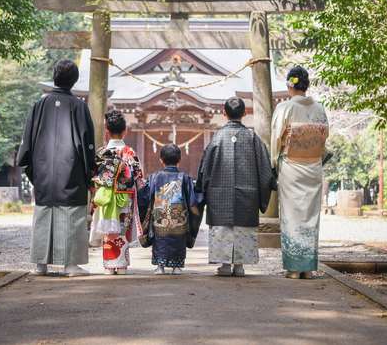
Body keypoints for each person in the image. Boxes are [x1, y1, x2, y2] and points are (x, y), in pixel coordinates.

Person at [16, 58, 95, 277]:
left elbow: (27, 141)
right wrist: (90, 175)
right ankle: (70, 264)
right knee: (71, 215)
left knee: (44, 213)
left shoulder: (39, 105)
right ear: (74, 81)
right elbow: (87, 144)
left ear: (54, 77)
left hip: (43, 171)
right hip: (71, 172)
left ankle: (40, 265)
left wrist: (32, 167)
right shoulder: (80, 106)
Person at [195, 97, 276, 276]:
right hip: (247, 194)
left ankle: (224, 266)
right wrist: (267, 185)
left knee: (223, 229)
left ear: (224, 113)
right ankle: (239, 266)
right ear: (245, 113)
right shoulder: (252, 137)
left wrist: (202, 189)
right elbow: (265, 170)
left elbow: (204, 168)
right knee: (243, 228)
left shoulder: (217, 137)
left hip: (219, 195)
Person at [271, 66, 329, 280]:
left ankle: (294, 268)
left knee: (291, 215)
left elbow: (276, 139)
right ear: (307, 85)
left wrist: (274, 165)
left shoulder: (284, 108)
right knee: (310, 216)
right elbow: (324, 137)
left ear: (289, 85)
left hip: (291, 167)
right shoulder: (320, 109)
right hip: (313, 167)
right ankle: (308, 268)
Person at [88, 110, 145, 275]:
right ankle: (121, 266)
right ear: (125, 131)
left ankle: (108, 266)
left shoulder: (100, 153)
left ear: (107, 131)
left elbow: (92, 176)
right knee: (122, 229)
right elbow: (139, 179)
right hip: (124, 198)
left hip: (104, 198)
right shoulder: (130, 153)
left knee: (108, 231)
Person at [138, 143, 204, 275]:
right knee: (178, 239)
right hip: (179, 217)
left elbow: (145, 197)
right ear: (180, 160)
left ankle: (160, 267)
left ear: (161, 160)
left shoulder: (154, 177)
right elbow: (193, 201)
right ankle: (177, 267)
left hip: (159, 216)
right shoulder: (185, 178)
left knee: (160, 239)